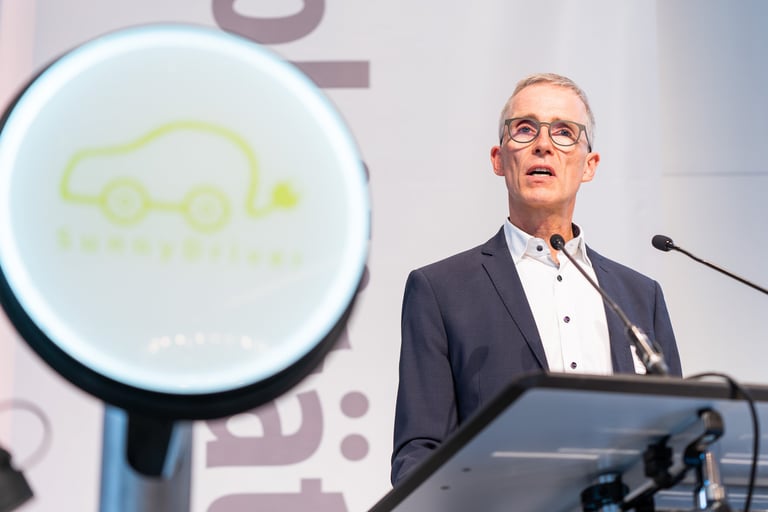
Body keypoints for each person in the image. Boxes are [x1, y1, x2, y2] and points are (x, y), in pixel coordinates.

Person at [390, 73, 682, 486]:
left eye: (564, 132)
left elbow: (675, 441)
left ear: (589, 165)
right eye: (525, 129)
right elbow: (418, 454)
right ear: (498, 159)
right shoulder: (441, 291)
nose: (543, 144)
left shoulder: (638, 296)